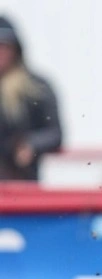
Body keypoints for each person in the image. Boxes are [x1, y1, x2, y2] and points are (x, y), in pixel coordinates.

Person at [0, 15, 62, 181]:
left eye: (4, 47)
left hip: (21, 180)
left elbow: (55, 133)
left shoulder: (36, 88)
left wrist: (30, 144)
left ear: (15, 50)